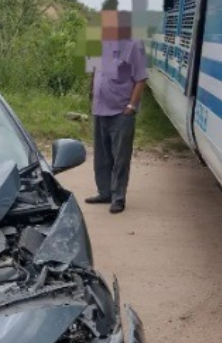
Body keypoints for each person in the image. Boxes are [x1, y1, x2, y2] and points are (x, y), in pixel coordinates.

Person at [86, 10, 148, 214]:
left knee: (120, 157)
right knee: (102, 156)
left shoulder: (133, 44)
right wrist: (91, 95)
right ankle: (105, 193)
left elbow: (140, 79)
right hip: (100, 108)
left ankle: (118, 197)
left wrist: (131, 107)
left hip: (121, 111)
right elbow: (94, 71)